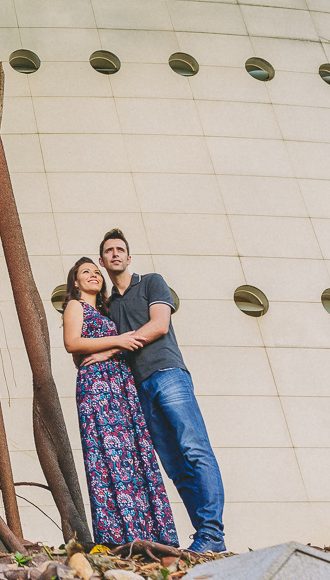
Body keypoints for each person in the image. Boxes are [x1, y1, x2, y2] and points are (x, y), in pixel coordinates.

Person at [89, 228, 227, 553]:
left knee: (196, 450)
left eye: (120, 249)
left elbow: (159, 324)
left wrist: (113, 347)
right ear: (102, 260)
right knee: (175, 467)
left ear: (128, 256)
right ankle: (208, 540)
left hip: (168, 374)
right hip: (140, 390)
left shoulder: (151, 281)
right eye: (109, 250)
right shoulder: (109, 306)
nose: (115, 254)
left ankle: (212, 532)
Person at [62, 257, 179, 548]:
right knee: (107, 457)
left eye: (95, 272)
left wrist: (112, 347)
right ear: (75, 282)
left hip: (121, 384)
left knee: (133, 456)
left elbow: (122, 346)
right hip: (98, 387)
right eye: (84, 272)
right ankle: (118, 537)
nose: (92, 275)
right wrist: (117, 342)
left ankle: (150, 535)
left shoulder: (109, 310)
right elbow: (72, 343)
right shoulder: (76, 306)